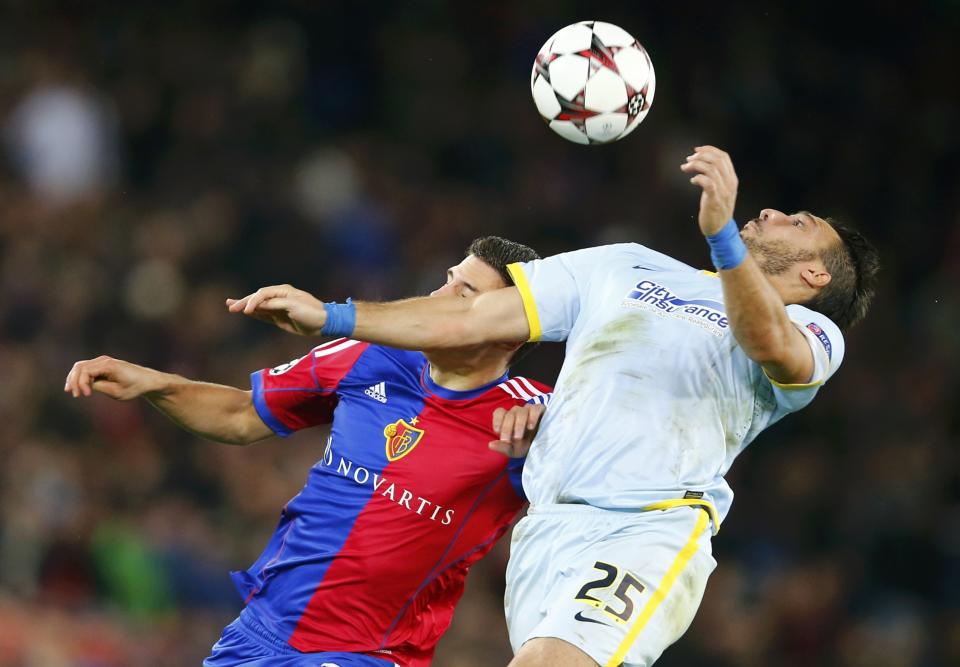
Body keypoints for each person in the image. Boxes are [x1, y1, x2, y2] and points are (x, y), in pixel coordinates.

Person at [225, 146, 881, 667]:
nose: (770, 214)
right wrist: (334, 314)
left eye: (797, 224)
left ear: (816, 275)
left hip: (647, 527)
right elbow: (475, 317)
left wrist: (721, 240)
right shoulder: (624, 265)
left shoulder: (814, 334)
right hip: (545, 530)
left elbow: (768, 341)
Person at [64, 236, 552, 667]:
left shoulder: (536, 416)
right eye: (447, 280)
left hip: (366, 654)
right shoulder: (369, 355)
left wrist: (551, 442)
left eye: (463, 293)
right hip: (258, 634)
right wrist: (154, 384)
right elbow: (240, 416)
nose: (436, 297)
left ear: (507, 328)